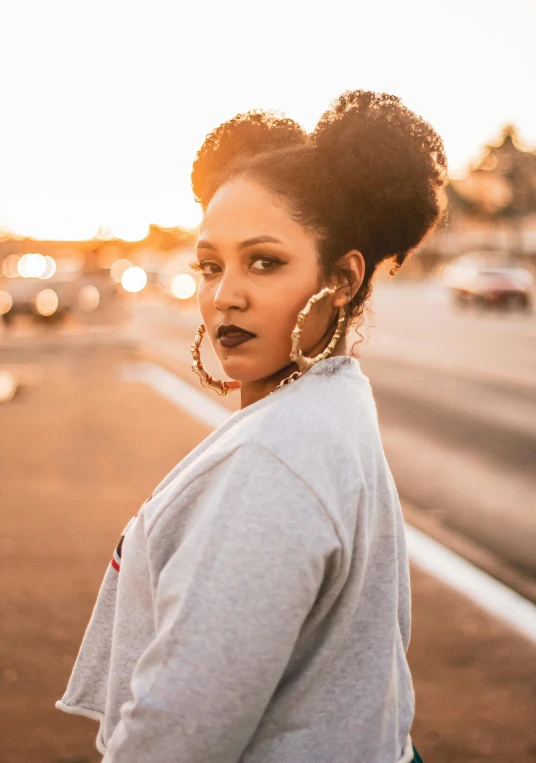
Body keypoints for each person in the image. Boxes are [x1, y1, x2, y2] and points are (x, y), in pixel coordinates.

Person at [56, 90, 445, 763]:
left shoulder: (275, 460)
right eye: (211, 264)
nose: (223, 294)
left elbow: (177, 738)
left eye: (264, 262)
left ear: (343, 278)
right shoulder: (335, 402)